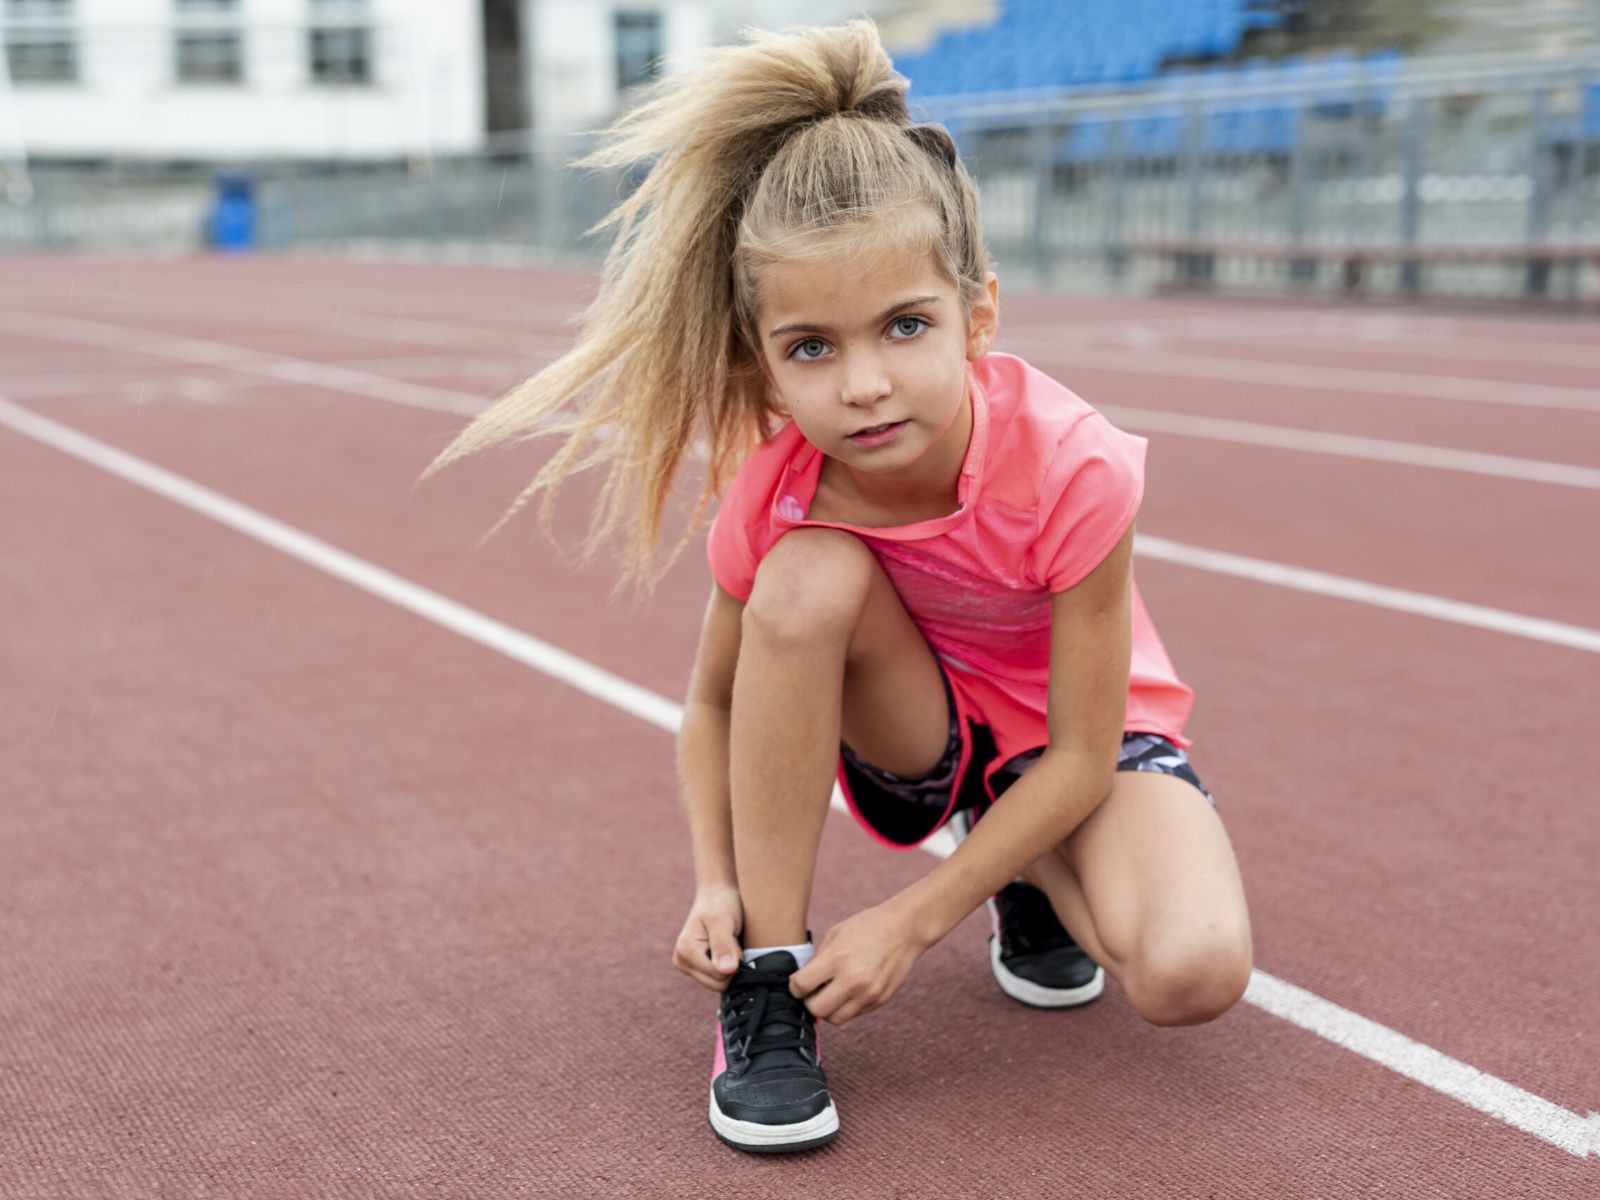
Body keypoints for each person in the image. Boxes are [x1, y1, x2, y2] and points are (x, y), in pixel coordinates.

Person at [420, 19, 1253, 1156]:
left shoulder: (1075, 465)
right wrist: (714, 887)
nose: (863, 385)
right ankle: (765, 986)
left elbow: (1075, 752)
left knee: (1188, 971)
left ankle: (1025, 885)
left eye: (906, 327)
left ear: (980, 314)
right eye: (811, 348)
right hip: (913, 735)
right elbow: (712, 703)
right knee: (807, 574)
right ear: (764, 359)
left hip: (1066, 749)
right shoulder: (779, 494)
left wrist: (913, 923)